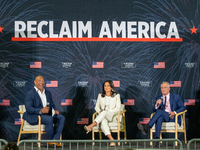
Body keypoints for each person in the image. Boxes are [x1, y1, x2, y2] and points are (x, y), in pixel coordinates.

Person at [23, 76, 65, 147]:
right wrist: (41, 111)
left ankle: (54, 140)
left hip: (48, 115)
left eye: (43, 81)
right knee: (49, 119)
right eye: (39, 81)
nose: (41, 82)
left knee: (61, 118)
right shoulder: (30, 94)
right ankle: (51, 141)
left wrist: (55, 110)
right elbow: (29, 109)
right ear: (35, 82)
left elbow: (52, 105)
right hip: (35, 116)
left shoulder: (48, 93)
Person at [84, 80, 121, 147]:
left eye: (108, 85)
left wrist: (107, 111)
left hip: (112, 115)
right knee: (103, 121)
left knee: (104, 112)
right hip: (103, 115)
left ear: (111, 86)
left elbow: (118, 108)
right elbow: (96, 107)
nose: (106, 87)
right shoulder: (100, 95)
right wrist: (99, 111)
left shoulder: (116, 95)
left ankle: (92, 125)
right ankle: (111, 140)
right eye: (105, 86)